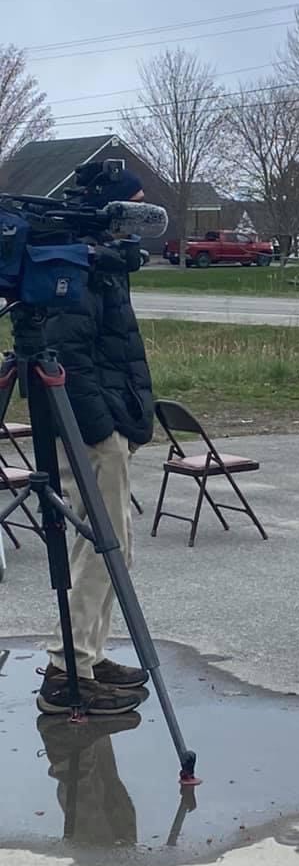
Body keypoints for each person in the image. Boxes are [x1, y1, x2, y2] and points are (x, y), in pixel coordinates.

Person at [37, 168, 155, 714]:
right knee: (105, 545)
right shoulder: (76, 265)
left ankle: (85, 654)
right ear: (107, 211)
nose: (141, 220)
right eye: (132, 208)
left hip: (108, 417)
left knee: (114, 545)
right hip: (92, 424)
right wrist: (103, 429)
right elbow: (69, 356)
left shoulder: (101, 261)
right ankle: (68, 669)